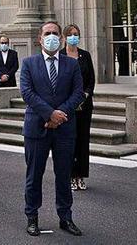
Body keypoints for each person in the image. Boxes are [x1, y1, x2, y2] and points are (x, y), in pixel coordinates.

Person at [20, 21, 85, 237]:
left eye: (55, 33)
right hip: (36, 128)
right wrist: (49, 114)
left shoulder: (71, 64)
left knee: (64, 175)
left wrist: (59, 115)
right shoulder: (29, 63)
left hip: (64, 128)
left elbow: (77, 93)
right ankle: (32, 217)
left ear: (61, 38)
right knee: (34, 175)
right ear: (40, 39)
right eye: (47, 33)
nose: (51, 37)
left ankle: (65, 217)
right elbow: (27, 93)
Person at [59, 24, 95, 191]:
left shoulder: (85, 55)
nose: (74, 37)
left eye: (77, 34)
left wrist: (85, 95)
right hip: (67, 106)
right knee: (69, 142)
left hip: (84, 105)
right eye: (71, 34)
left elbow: (91, 81)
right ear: (65, 37)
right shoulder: (60, 56)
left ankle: (81, 175)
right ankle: (71, 176)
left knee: (82, 141)